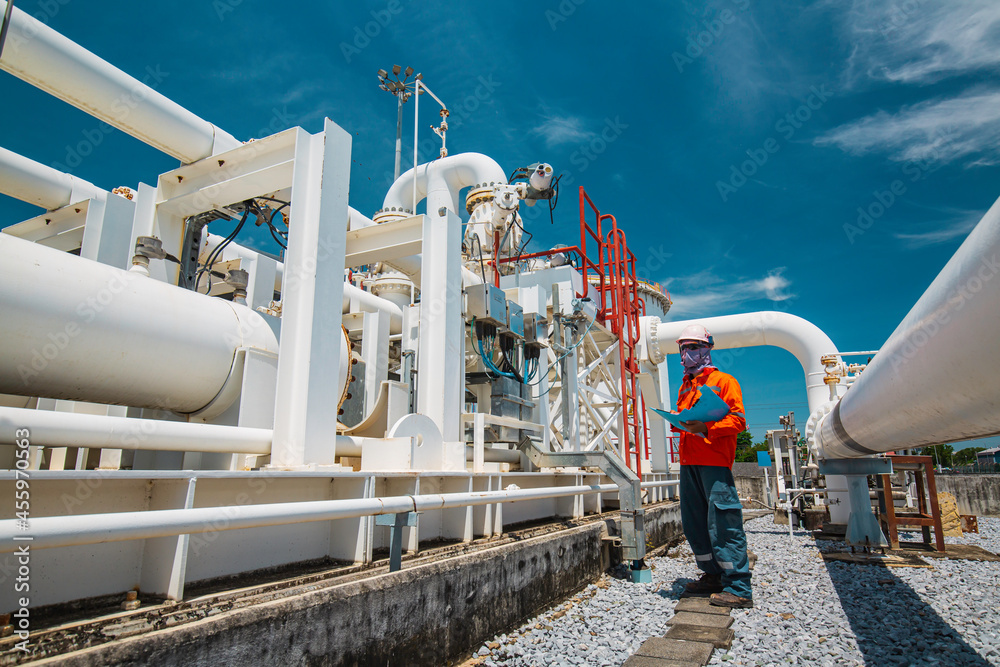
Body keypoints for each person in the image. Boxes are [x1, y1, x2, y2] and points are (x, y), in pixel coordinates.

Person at [672, 323, 753, 608]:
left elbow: (738, 420)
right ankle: (713, 576)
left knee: (723, 521)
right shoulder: (686, 386)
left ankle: (739, 587)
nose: (686, 354)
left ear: (707, 349)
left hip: (714, 462)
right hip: (689, 462)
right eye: (683, 348)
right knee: (695, 522)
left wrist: (706, 428)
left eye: (692, 347)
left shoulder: (723, 381)